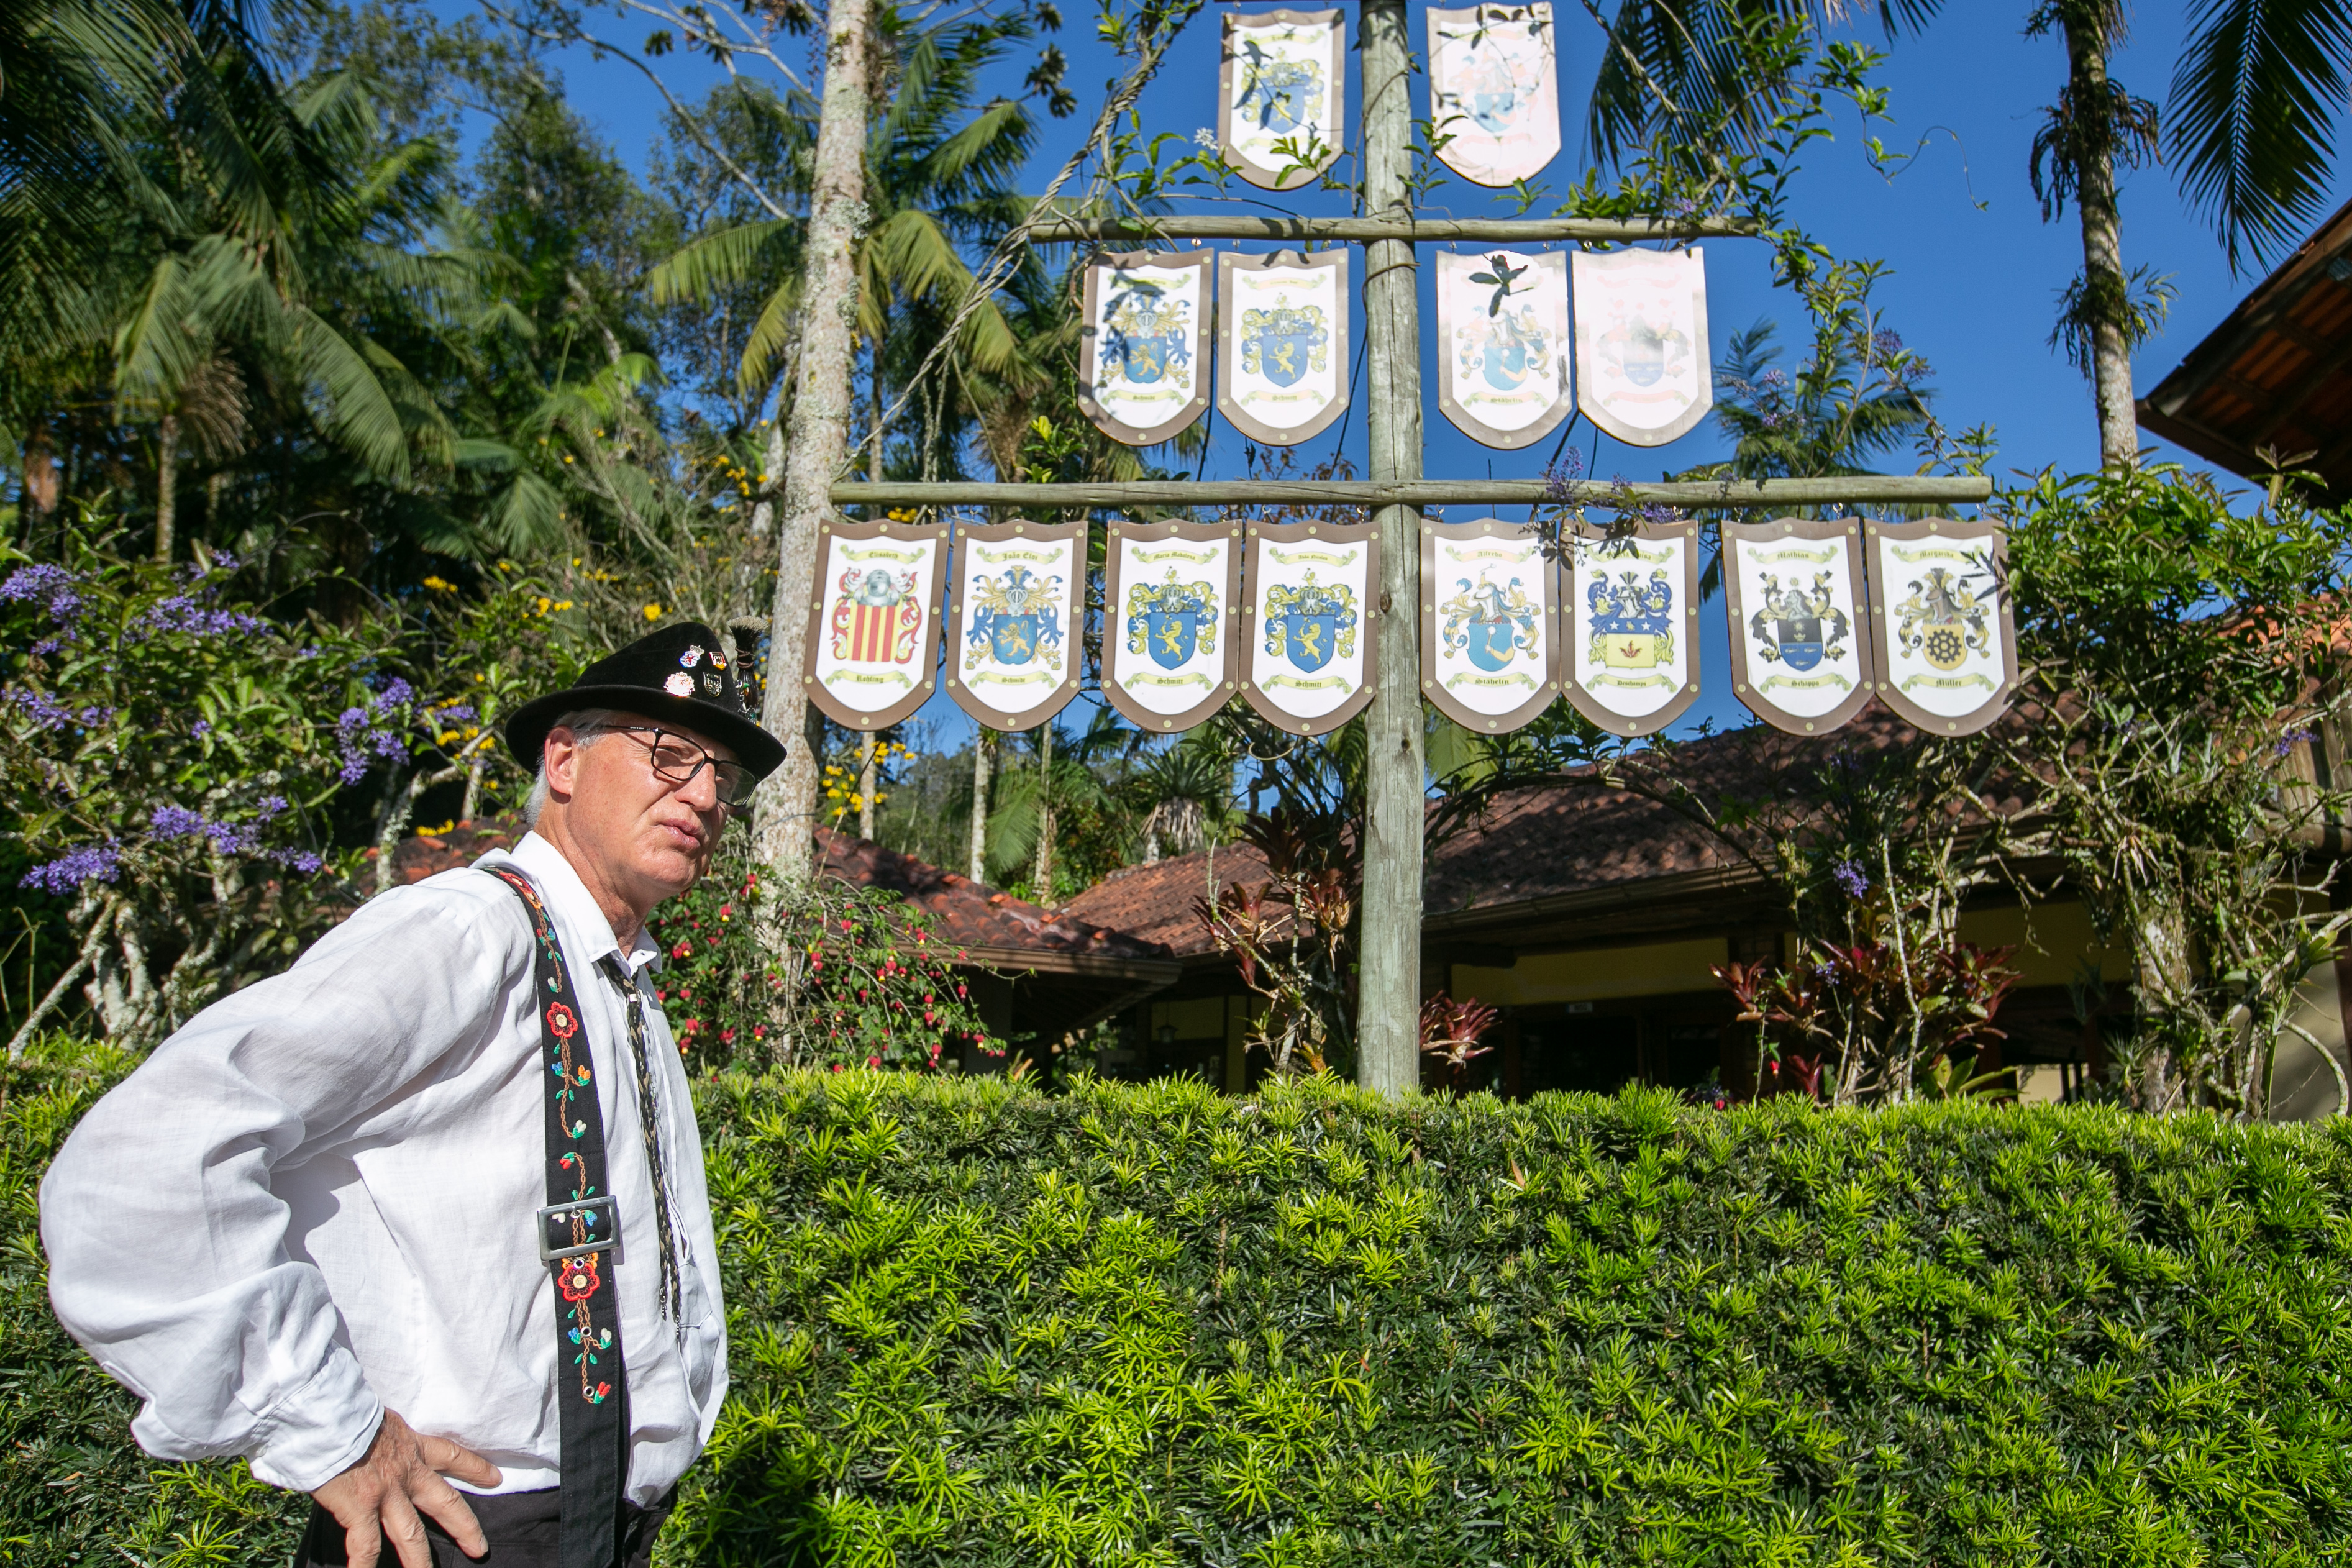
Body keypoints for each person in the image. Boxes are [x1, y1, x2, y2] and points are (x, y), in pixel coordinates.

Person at [40, 622, 786, 1568]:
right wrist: (335, 1432)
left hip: (589, 1532)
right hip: (462, 1532)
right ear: (563, 759)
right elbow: (140, 1166)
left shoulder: (616, 977)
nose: (706, 795)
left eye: (724, 776)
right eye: (670, 755)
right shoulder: (464, 934)